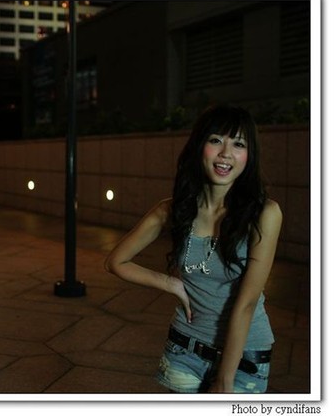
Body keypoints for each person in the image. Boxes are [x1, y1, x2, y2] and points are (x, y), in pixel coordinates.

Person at [105, 104, 283, 393]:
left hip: (244, 359)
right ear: (200, 146)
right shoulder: (172, 210)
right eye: (216, 140)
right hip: (184, 347)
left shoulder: (264, 214)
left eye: (238, 144)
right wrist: (171, 284)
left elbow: (247, 303)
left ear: (249, 156)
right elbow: (116, 262)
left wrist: (224, 380)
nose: (226, 153)